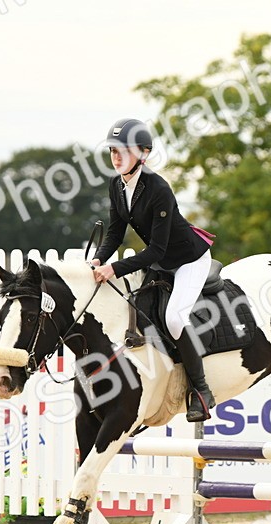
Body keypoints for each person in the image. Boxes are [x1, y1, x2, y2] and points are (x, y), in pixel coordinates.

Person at [90, 117, 217, 422]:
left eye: (123, 151)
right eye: (112, 151)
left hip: (188, 260)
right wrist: (97, 259)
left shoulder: (158, 188)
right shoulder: (116, 185)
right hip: (161, 261)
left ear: (143, 154)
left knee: (174, 319)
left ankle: (202, 391)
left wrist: (115, 268)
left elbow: (157, 250)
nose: (116, 157)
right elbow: (115, 233)